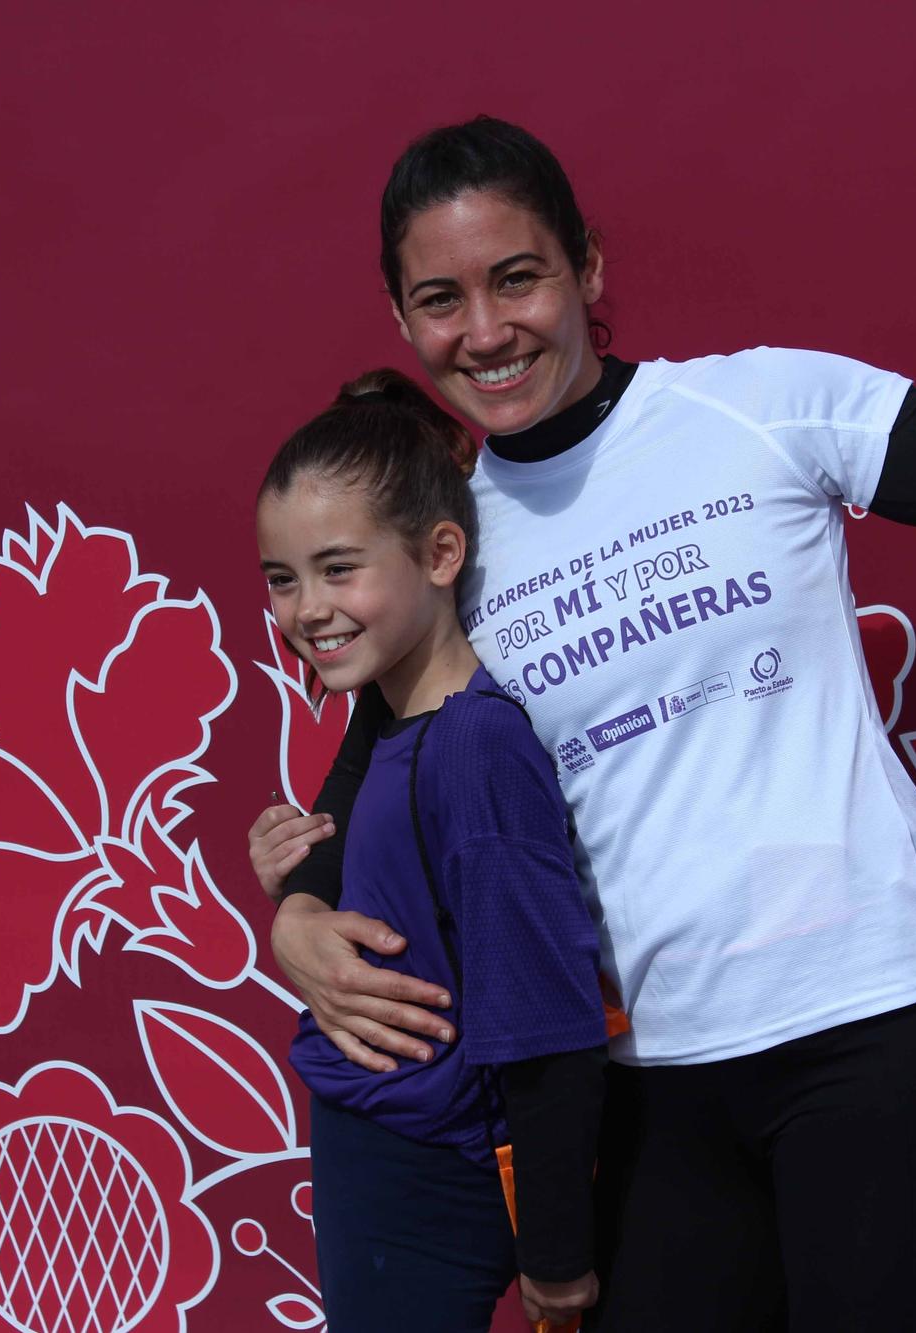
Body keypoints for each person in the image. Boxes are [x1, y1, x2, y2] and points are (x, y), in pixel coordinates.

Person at [249, 22, 916, 1330]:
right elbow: (368, 801)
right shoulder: (443, 538)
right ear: (402, 318)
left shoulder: (760, 410)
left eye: (517, 277)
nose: (486, 329)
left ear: (586, 267)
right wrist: (296, 916)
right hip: (654, 1092)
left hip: (881, 1032)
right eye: (441, 300)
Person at [256, 369, 612, 1331]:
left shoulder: (474, 747)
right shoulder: (399, 726)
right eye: (282, 579)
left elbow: (546, 1024)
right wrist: (298, 891)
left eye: (339, 568)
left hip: (429, 1167)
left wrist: (556, 1252)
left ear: (442, 552)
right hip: (375, 1146)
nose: (307, 609)